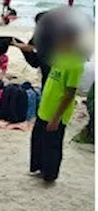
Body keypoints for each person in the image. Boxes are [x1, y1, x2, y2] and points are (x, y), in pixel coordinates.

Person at [31, 23, 84, 183]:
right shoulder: (58, 56)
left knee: (52, 145)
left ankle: (49, 176)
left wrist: (56, 118)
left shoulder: (76, 64)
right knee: (39, 140)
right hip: (44, 108)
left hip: (57, 113)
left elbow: (69, 93)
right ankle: (39, 168)